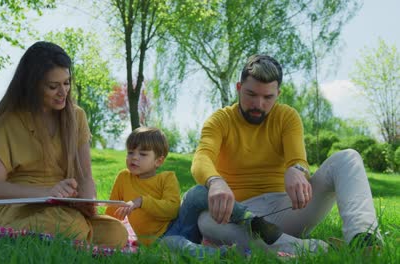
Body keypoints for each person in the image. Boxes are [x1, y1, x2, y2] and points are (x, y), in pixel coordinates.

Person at [191, 54, 382, 253]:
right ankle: (314, 249)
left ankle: (363, 239)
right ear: (239, 88)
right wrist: (215, 181)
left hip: (287, 209)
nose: (259, 104)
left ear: (278, 94)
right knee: (205, 221)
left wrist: (297, 170)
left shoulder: (287, 117)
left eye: (267, 97)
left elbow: (299, 161)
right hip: (240, 215)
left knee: (347, 158)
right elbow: (202, 157)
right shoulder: (220, 120)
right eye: (251, 94)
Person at [0, 41, 127, 247]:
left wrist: (88, 200)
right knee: (67, 226)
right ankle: (72, 238)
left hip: (66, 210)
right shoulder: (6, 122)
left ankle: (72, 238)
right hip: (21, 210)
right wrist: (48, 193)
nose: (63, 92)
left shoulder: (77, 116)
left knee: (116, 232)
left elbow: (85, 176)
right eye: (53, 86)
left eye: (66, 83)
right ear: (32, 85)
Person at [105, 127, 322, 258]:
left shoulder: (166, 178)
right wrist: (112, 219)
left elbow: (172, 209)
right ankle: (225, 255)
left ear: (158, 161)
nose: (134, 157)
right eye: (131, 152)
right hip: (160, 240)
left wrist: (142, 201)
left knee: (198, 192)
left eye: (142, 154)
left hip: (180, 224)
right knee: (174, 245)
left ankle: (250, 219)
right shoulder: (123, 178)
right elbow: (111, 210)